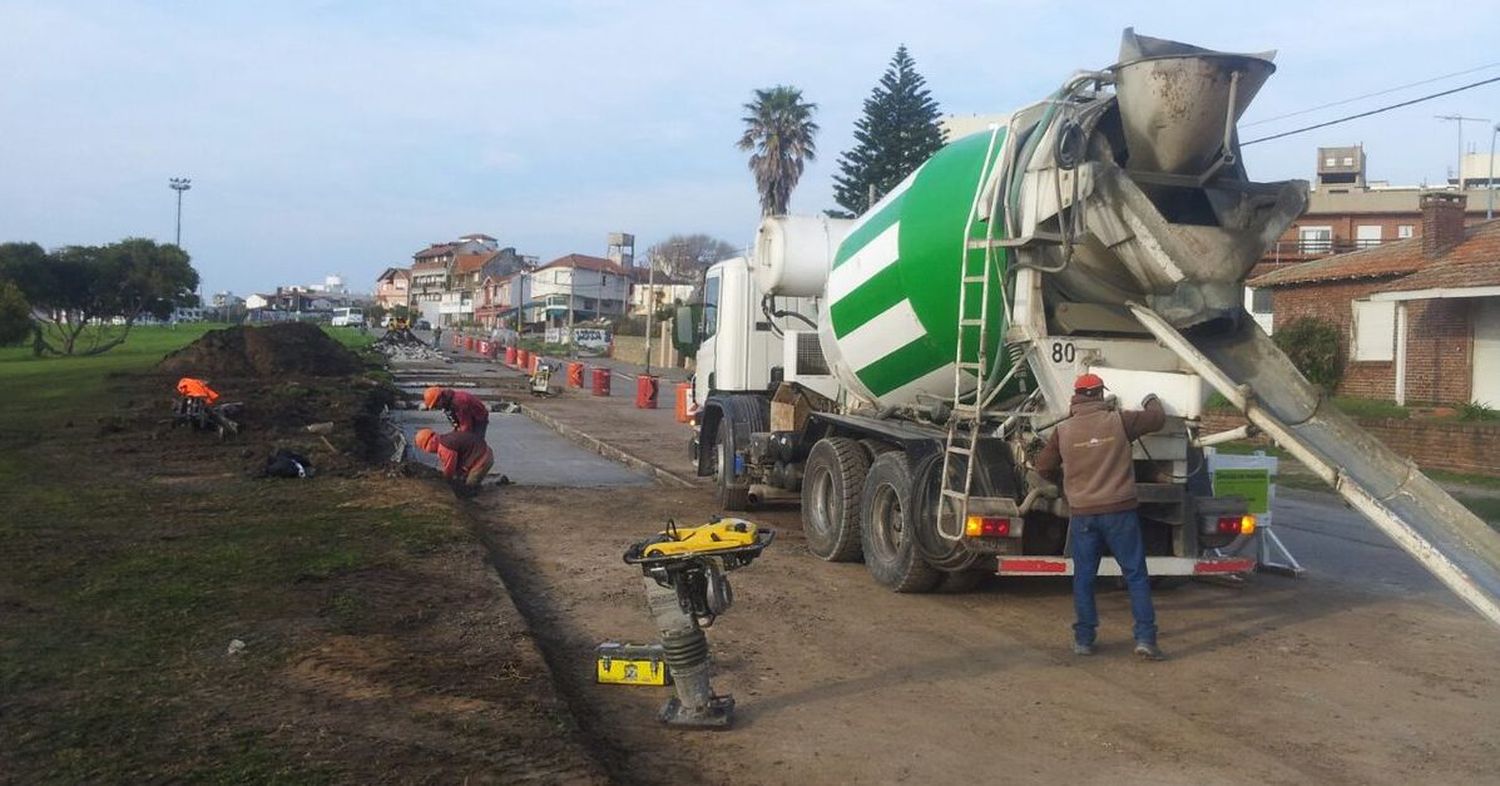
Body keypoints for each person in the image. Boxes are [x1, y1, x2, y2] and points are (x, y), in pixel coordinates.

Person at [1036, 372, 1167, 660]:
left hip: (1084, 515)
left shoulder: (1064, 431)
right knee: (1135, 574)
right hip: (1120, 512)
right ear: (1099, 395)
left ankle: (1084, 640)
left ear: (1076, 396)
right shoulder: (1120, 421)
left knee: (1084, 577)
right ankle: (1145, 638)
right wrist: (1151, 399)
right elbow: (1157, 419)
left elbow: (1043, 467)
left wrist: (1067, 483)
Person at [414, 427, 494, 495]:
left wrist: (445, 482)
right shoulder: (446, 439)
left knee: (469, 489)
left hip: (482, 460)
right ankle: (483, 490)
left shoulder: (445, 447)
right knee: (464, 480)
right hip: (484, 452)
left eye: (426, 447)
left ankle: (479, 504)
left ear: (431, 441)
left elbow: (450, 469)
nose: (428, 451)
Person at [423, 385, 490, 439]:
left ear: (440, 399)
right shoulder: (447, 402)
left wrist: (458, 439)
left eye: (435, 405)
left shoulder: (459, 402)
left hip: (479, 417)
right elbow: (456, 423)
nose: (436, 408)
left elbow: (465, 425)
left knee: (475, 441)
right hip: (467, 416)